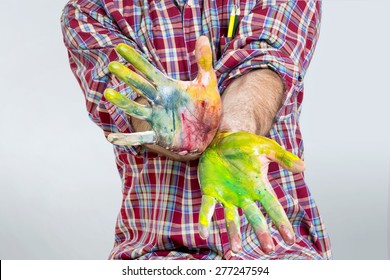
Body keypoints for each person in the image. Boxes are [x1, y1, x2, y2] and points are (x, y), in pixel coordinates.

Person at [61, 0, 332, 259]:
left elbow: (265, 63)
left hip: (278, 250)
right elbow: (126, 98)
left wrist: (232, 131)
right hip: (157, 254)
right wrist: (172, 128)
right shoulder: (90, 10)